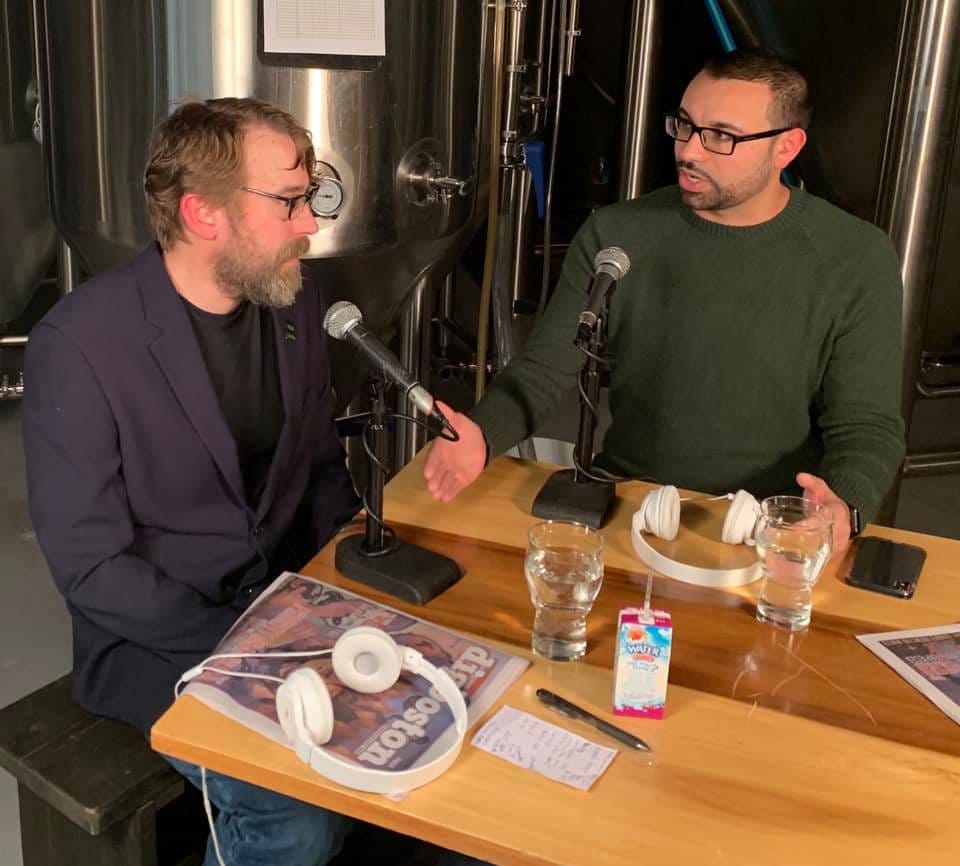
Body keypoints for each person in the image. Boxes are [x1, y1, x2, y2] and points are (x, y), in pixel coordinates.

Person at [23, 97, 480, 866]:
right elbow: (92, 567)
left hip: (294, 613)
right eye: (289, 202)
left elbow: (320, 475)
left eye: (310, 198)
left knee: (445, 728)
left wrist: (360, 582)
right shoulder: (80, 344)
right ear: (203, 214)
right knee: (294, 820)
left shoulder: (297, 301)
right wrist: (259, 646)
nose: (311, 225)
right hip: (161, 642)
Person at [424, 47, 906, 557]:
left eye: (721, 136)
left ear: (786, 147)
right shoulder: (618, 234)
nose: (690, 151)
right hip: (634, 507)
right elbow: (546, 368)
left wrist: (843, 505)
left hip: (770, 529)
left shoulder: (855, 256)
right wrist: (483, 432)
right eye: (685, 125)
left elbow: (867, 425)